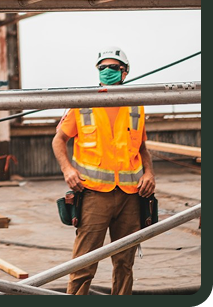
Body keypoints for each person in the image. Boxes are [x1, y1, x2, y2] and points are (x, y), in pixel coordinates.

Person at [51, 47, 156, 295]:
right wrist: (67, 170)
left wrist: (149, 174)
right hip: (94, 194)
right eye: (102, 68)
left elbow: (142, 148)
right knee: (84, 263)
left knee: (124, 263)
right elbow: (58, 140)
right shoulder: (83, 103)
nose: (107, 72)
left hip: (131, 195)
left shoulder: (135, 106)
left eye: (113, 67)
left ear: (125, 71)